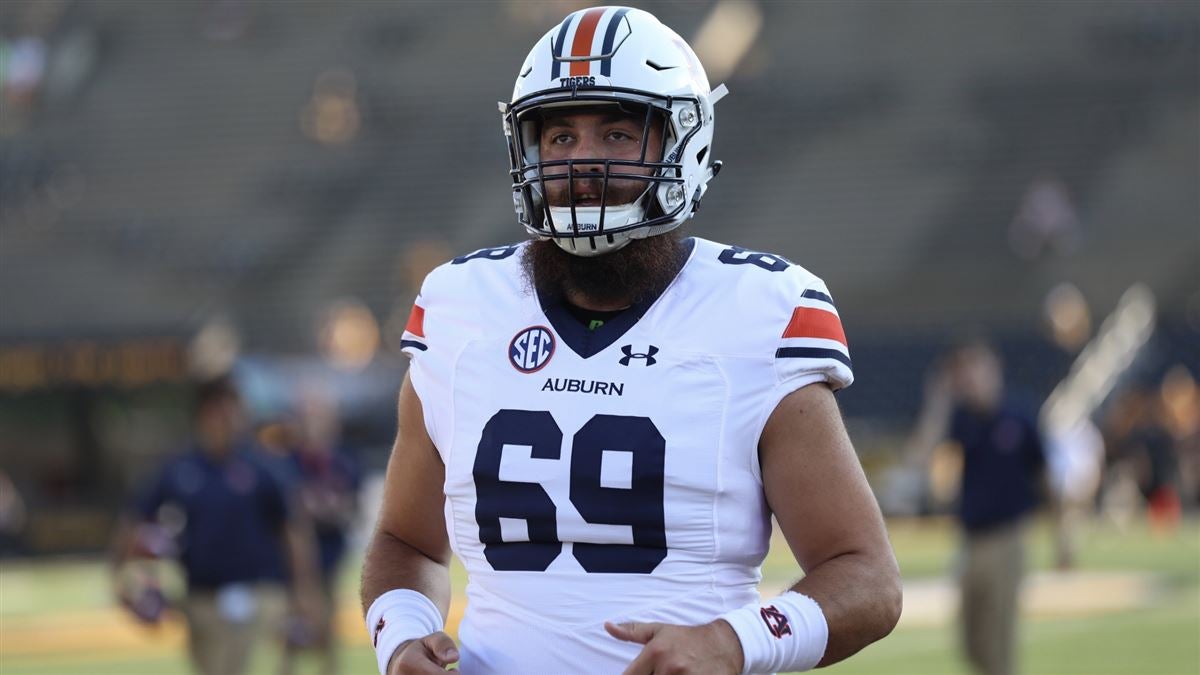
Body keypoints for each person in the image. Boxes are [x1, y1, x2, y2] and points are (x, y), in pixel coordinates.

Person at [361, 7, 901, 674]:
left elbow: (867, 578)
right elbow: (403, 541)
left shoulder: (757, 312)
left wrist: (733, 641)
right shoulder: (460, 307)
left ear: (684, 143)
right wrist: (402, 636)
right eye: (559, 136)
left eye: (617, 133)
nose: (582, 162)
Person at [111, 377, 322, 675]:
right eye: (223, 410)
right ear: (205, 414)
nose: (231, 419)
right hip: (203, 600)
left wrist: (304, 591)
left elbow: (292, 529)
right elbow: (134, 523)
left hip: (263, 595)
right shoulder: (180, 469)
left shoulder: (262, 466)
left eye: (235, 409)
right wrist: (122, 580)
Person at [905, 340, 1051, 675]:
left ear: (994, 369)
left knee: (999, 645)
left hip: (1007, 539)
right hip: (970, 542)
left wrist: (1063, 536)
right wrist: (938, 402)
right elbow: (920, 455)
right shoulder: (962, 418)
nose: (971, 378)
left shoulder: (1019, 414)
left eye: (976, 368)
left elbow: (1044, 475)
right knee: (970, 644)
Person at [280, 391, 362, 675]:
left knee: (327, 632)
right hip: (289, 564)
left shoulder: (345, 459)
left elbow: (350, 507)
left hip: (329, 556)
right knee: (289, 635)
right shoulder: (287, 460)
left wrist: (325, 508)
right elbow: (287, 508)